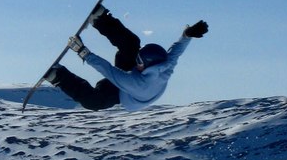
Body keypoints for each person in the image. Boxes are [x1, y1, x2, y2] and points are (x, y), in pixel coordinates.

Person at [44, 6, 208, 111]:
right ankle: (101, 19)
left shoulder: (137, 85)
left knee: (94, 102)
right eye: (138, 59)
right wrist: (187, 34)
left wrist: (82, 51)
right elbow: (177, 50)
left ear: (148, 64)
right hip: (137, 79)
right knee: (132, 44)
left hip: (125, 94)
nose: (136, 62)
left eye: (139, 62)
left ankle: (58, 76)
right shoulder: (166, 64)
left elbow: (108, 70)